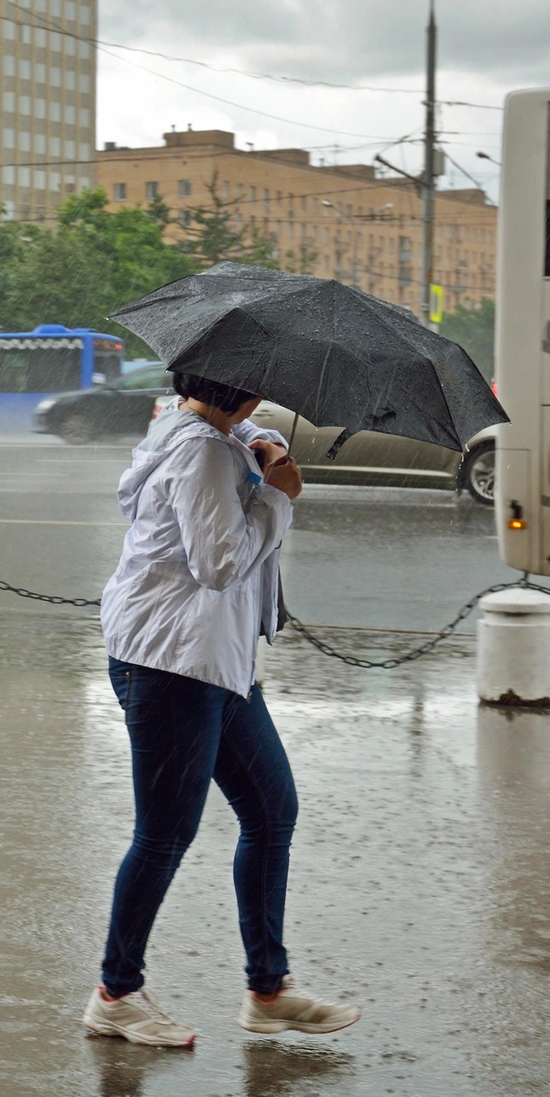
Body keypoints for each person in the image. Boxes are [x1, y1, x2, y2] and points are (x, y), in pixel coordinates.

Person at [82, 373, 360, 1046]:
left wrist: (260, 446)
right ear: (247, 387)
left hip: (218, 661)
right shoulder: (200, 450)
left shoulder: (198, 431)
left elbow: (232, 444)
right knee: (165, 834)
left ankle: (268, 988)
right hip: (174, 662)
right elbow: (219, 561)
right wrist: (277, 498)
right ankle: (115, 994)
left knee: (272, 812)